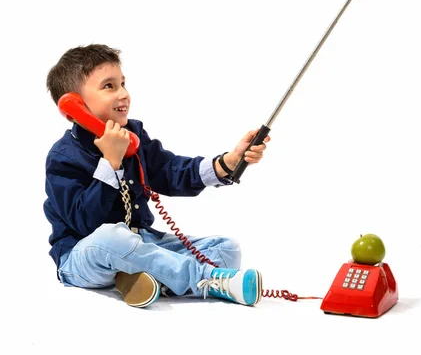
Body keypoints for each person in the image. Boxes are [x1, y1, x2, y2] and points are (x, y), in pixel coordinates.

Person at [44, 44, 270, 308]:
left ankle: (144, 277)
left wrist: (226, 163)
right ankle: (208, 280)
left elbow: (169, 170)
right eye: (109, 86)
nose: (124, 94)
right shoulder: (63, 157)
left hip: (141, 241)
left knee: (226, 249)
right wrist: (111, 163)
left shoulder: (134, 135)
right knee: (112, 238)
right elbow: (85, 224)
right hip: (84, 255)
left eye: (123, 83)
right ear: (75, 104)